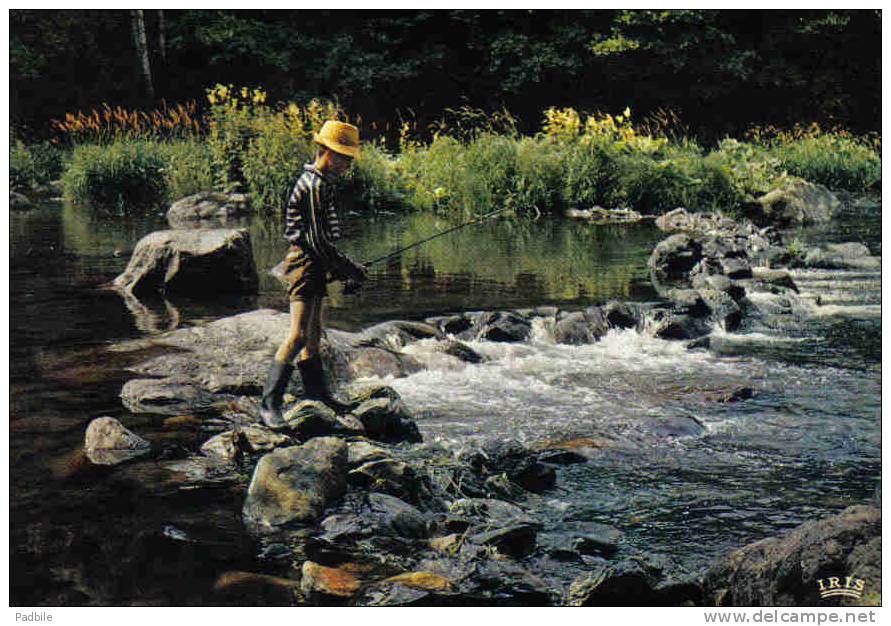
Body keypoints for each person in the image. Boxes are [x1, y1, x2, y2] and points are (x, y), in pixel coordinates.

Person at [259, 120, 369, 429]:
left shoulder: (321, 181)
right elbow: (315, 241)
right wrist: (348, 269)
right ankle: (269, 404)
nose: (348, 163)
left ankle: (317, 395)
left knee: (315, 333)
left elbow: (320, 240)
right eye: (345, 156)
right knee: (297, 334)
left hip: (315, 263)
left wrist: (341, 268)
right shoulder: (313, 185)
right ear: (328, 152)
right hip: (305, 263)